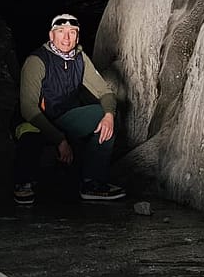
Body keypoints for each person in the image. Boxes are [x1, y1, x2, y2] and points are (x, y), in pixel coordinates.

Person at [13, 12, 126, 205]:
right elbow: (28, 108)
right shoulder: (37, 61)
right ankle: (23, 183)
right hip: (35, 120)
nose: (66, 38)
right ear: (51, 36)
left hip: (64, 117)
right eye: (61, 32)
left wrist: (108, 115)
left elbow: (105, 92)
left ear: (77, 37)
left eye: (72, 33)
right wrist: (60, 140)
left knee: (106, 116)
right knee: (30, 137)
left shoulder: (80, 59)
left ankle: (93, 182)